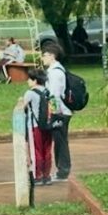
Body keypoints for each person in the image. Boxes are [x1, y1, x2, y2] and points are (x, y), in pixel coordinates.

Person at [41, 44, 72, 181]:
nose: (43, 58)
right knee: (59, 141)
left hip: (59, 112)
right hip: (60, 111)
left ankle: (63, 171)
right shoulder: (55, 71)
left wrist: (54, 114)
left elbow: (54, 95)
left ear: (52, 56)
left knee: (60, 142)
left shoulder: (55, 73)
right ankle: (62, 170)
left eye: (44, 55)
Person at [21, 69, 53, 186]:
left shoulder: (30, 93)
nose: (28, 81)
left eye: (30, 79)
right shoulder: (48, 92)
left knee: (36, 150)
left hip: (35, 126)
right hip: (48, 125)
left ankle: (37, 175)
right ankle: (47, 175)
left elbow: (22, 107)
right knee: (47, 150)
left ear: (35, 80)